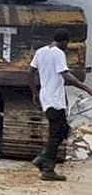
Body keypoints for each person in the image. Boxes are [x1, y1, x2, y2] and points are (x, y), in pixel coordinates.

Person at [29, 28, 92, 181]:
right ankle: (48, 169)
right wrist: (86, 88)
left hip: (46, 96)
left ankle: (42, 158)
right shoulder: (58, 53)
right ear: (64, 41)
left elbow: (30, 72)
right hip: (55, 99)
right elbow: (65, 75)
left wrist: (35, 93)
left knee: (63, 130)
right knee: (56, 134)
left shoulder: (41, 51)